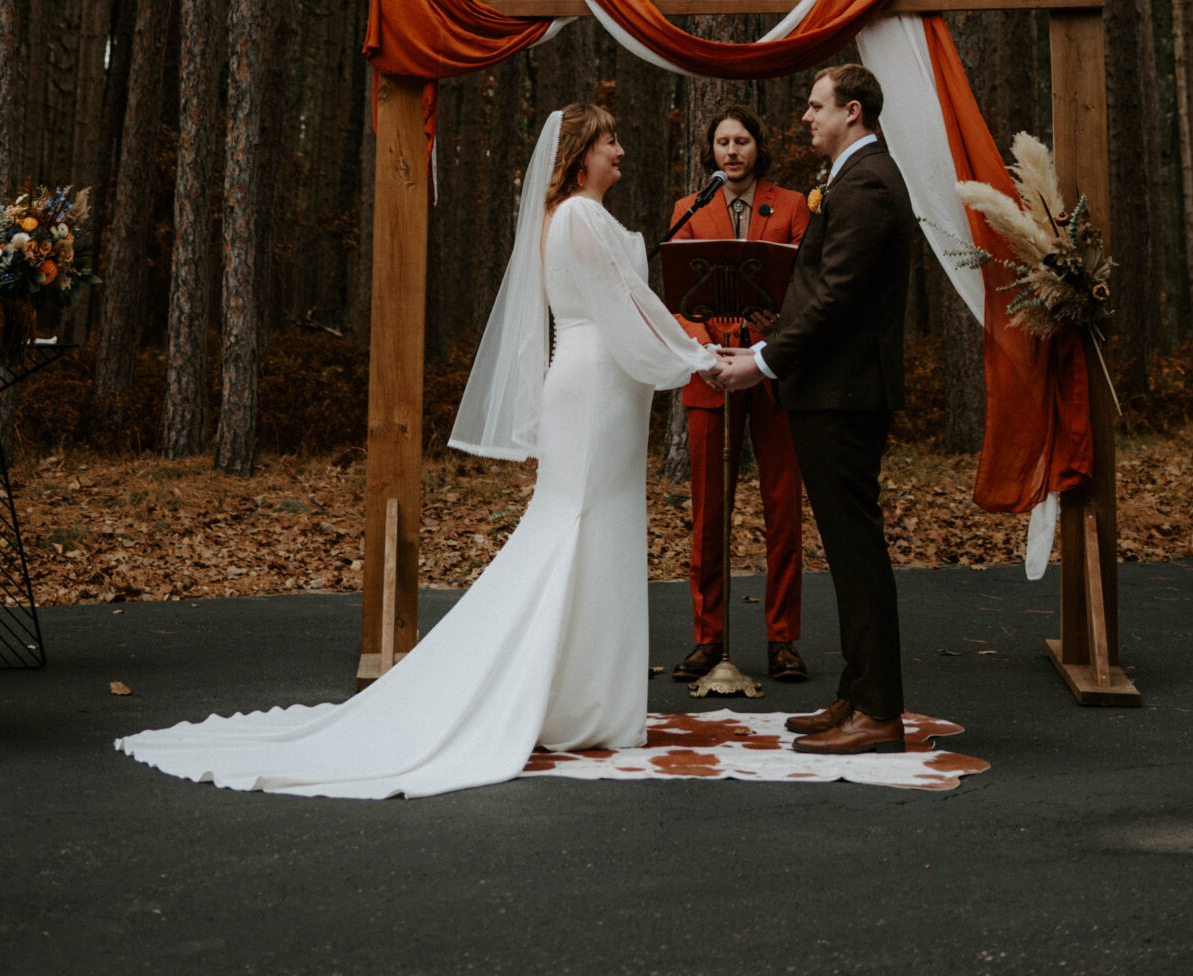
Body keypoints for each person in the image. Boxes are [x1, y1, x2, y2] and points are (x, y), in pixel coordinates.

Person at [118, 103, 716, 800]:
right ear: (580, 154)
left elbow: (629, 297)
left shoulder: (579, 217)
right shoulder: (579, 217)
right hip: (592, 387)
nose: (621, 150)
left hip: (603, 387)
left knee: (593, 532)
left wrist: (686, 351)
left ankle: (580, 695)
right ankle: (561, 696)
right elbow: (622, 308)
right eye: (610, 140)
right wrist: (695, 358)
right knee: (575, 529)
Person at [712, 61, 913, 757]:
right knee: (848, 551)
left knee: (857, 555)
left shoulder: (866, 185)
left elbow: (836, 297)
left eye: (815, 105)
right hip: (829, 390)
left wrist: (763, 360)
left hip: (843, 394)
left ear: (852, 111)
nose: (805, 117)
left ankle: (880, 712)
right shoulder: (852, 179)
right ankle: (859, 693)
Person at [665, 101, 811, 685]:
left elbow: (806, 289)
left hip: (775, 373)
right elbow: (677, 298)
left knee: (783, 509)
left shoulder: (793, 206)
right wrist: (708, 356)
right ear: (711, 151)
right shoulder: (688, 210)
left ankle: (783, 640)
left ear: (758, 147)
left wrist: (763, 353)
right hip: (710, 372)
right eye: (723, 142)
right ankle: (709, 638)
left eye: (742, 141)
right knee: (708, 512)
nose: (732, 151)